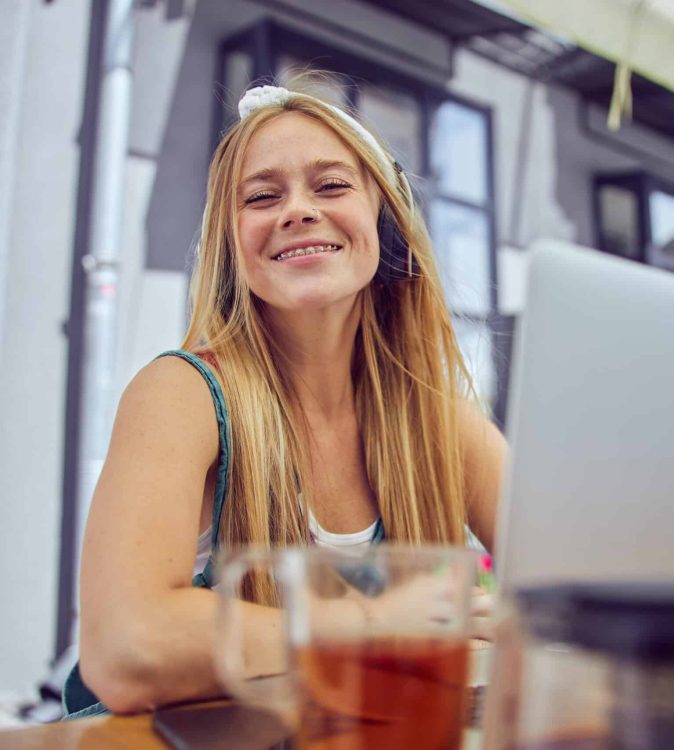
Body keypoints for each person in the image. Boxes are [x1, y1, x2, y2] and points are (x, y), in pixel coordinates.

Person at [64, 77, 507, 718]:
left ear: (382, 221)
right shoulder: (181, 394)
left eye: (330, 185)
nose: (297, 209)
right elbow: (125, 649)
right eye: (261, 196)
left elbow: (565, 580)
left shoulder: (437, 423)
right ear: (231, 244)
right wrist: (380, 622)